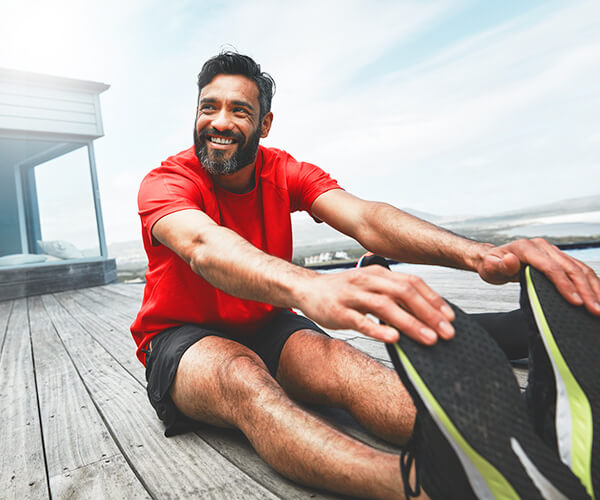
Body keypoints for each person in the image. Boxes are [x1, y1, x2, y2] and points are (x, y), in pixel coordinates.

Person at [131, 51, 600, 499]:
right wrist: (309, 286)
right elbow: (202, 246)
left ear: (264, 124)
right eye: (208, 107)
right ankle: (437, 488)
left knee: (340, 361)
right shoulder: (166, 181)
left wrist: (481, 256)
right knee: (242, 377)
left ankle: (528, 447)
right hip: (180, 336)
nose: (219, 122)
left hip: (265, 321)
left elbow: (367, 220)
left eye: (239, 110)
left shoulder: (283, 170)